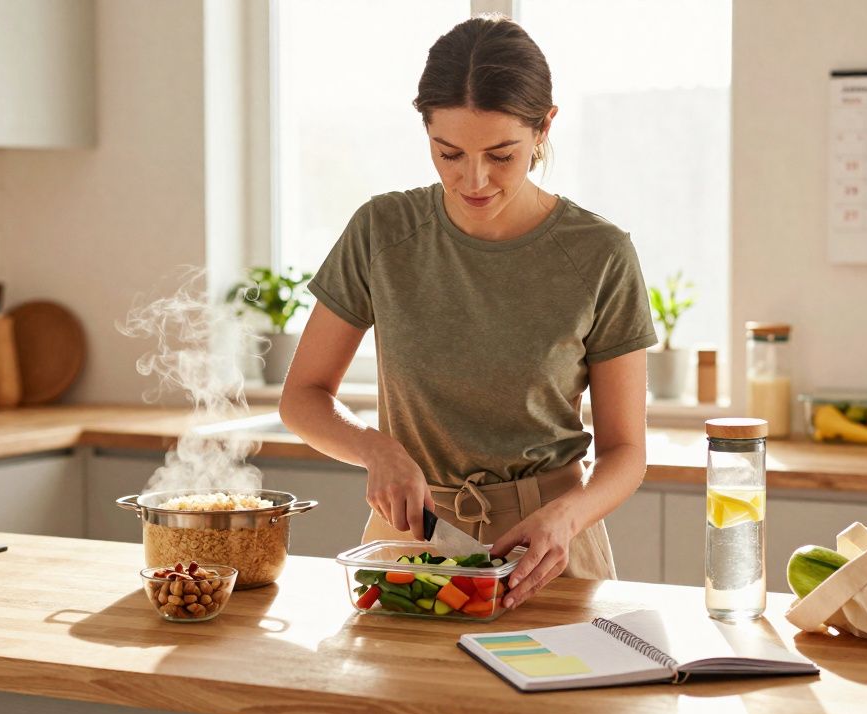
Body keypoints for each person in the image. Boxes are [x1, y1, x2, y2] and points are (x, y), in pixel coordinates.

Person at [279, 15, 654, 609]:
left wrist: (565, 517)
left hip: (549, 551)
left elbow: (625, 452)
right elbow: (302, 396)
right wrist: (376, 449)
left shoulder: (599, 253)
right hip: (409, 543)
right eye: (448, 152)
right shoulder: (383, 231)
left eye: (501, 155)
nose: (473, 179)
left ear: (544, 126)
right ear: (425, 129)